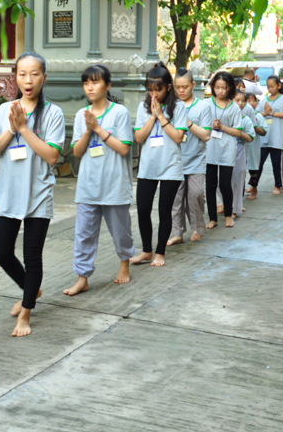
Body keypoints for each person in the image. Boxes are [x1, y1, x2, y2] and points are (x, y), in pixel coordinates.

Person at [0, 52, 65, 337]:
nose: (28, 80)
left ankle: (26, 313)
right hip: (9, 193)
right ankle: (31, 288)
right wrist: (11, 128)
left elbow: (52, 156)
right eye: (22, 74)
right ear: (15, 77)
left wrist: (24, 128)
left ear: (44, 77)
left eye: (34, 74)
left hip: (38, 194)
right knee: (2, 253)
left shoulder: (53, 113)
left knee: (32, 258)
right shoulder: (4, 110)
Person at [64, 64, 135, 295]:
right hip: (88, 186)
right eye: (86, 83)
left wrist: (98, 128)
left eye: (95, 82)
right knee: (84, 234)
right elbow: (77, 152)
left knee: (121, 231)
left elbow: (123, 149)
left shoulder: (119, 113)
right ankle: (82, 277)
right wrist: (88, 130)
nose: (90, 87)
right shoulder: (81, 115)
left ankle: (124, 263)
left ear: (108, 85)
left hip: (114, 185)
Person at [131, 64, 188, 267]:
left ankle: (160, 252)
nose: (154, 94)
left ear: (168, 87)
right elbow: (139, 137)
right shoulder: (143, 107)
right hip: (148, 166)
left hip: (170, 166)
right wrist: (153, 116)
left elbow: (178, 137)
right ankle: (147, 250)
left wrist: (162, 117)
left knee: (164, 210)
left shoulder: (179, 107)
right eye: (150, 89)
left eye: (158, 89)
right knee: (143, 209)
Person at [167, 69, 212, 246]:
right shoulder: (170, 106)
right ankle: (177, 233)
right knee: (175, 199)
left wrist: (188, 123)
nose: (181, 90)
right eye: (177, 87)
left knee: (196, 194)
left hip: (196, 159)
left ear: (193, 85)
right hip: (174, 160)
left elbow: (206, 135)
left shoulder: (203, 107)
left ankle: (198, 227)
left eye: (185, 87)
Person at [204, 71, 245, 229]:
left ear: (230, 88)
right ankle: (212, 218)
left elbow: (238, 132)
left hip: (227, 149)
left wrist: (222, 127)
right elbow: (201, 125)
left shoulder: (234, 107)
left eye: (224, 88)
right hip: (210, 149)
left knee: (225, 184)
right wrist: (211, 126)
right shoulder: (206, 104)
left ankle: (228, 215)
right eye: (217, 87)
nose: (220, 91)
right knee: (210, 185)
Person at [250, 75, 283, 197]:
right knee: (258, 164)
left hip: (277, 137)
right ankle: (253, 186)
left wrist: (272, 113)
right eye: (268, 87)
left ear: (279, 86)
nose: (270, 89)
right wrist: (266, 113)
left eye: (272, 86)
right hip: (264, 138)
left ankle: (278, 185)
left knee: (276, 164)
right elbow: (257, 114)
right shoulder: (265, 100)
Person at [229, 89, 256, 217]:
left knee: (237, 180)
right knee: (220, 180)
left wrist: (240, 133)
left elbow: (251, 137)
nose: (240, 103)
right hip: (224, 149)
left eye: (243, 101)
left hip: (239, 149)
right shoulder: (226, 116)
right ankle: (227, 203)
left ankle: (234, 209)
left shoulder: (246, 120)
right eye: (237, 100)